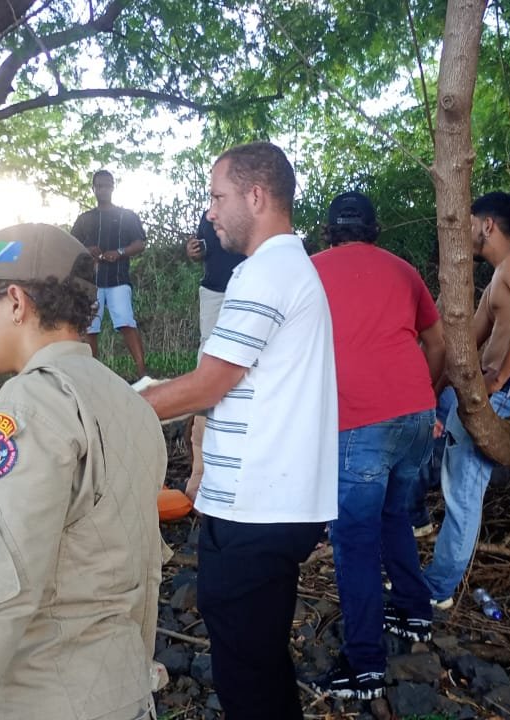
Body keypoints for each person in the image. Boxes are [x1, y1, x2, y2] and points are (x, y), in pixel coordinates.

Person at [0, 223, 167, 720]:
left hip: (40, 698)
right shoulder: (128, 402)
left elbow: (5, 588)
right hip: (122, 693)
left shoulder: (30, 405)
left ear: (15, 301)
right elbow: (147, 570)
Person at [140, 142, 337, 720]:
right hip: (268, 504)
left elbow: (209, 383)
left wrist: (121, 407)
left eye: (217, 195)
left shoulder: (267, 271)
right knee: (258, 660)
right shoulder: (283, 268)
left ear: (256, 196)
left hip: (259, 508)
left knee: (244, 672)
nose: (209, 210)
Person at [308, 192, 446, 700]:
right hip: (414, 414)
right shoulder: (404, 271)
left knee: (355, 543)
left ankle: (364, 665)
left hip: (360, 421)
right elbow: (436, 343)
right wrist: (424, 397)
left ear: (328, 231)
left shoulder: (310, 270)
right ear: (374, 229)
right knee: (395, 517)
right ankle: (414, 612)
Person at [421, 191, 510, 609]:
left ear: (488, 225)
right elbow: (467, 339)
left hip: (507, 395)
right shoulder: (500, 275)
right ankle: (415, 525)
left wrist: (499, 379)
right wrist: (432, 391)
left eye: (470, 222)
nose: (465, 231)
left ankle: (437, 590)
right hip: (491, 392)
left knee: (463, 492)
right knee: (439, 456)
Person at [182, 209, 246, 503]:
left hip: (248, 290)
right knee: (205, 369)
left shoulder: (257, 207)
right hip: (213, 292)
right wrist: (194, 251)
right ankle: (200, 470)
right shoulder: (210, 215)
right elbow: (201, 250)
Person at [70, 169, 148, 377]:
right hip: (91, 281)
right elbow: (71, 245)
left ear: (113, 187)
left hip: (118, 278)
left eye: (107, 185)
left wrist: (120, 252)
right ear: (93, 188)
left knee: (125, 322)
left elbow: (140, 243)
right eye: (99, 186)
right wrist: (88, 251)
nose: (103, 189)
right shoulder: (84, 219)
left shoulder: (126, 216)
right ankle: (92, 376)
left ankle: (143, 373)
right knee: (89, 328)